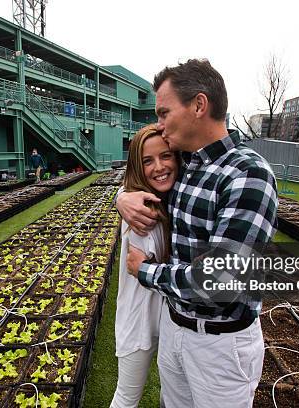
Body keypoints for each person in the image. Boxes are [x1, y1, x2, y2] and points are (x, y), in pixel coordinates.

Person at [116, 59, 278, 408]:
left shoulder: (247, 174)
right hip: (175, 328)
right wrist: (122, 197)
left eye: (163, 112)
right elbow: (142, 176)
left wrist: (146, 270)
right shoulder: (187, 165)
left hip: (218, 345)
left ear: (199, 106)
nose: (158, 124)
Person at [110, 124, 180, 408]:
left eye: (166, 156)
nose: (159, 167)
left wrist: (120, 196)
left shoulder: (168, 200)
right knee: (127, 397)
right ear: (137, 168)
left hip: (170, 320)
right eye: (147, 161)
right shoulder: (143, 211)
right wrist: (122, 197)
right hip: (140, 320)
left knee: (172, 395)